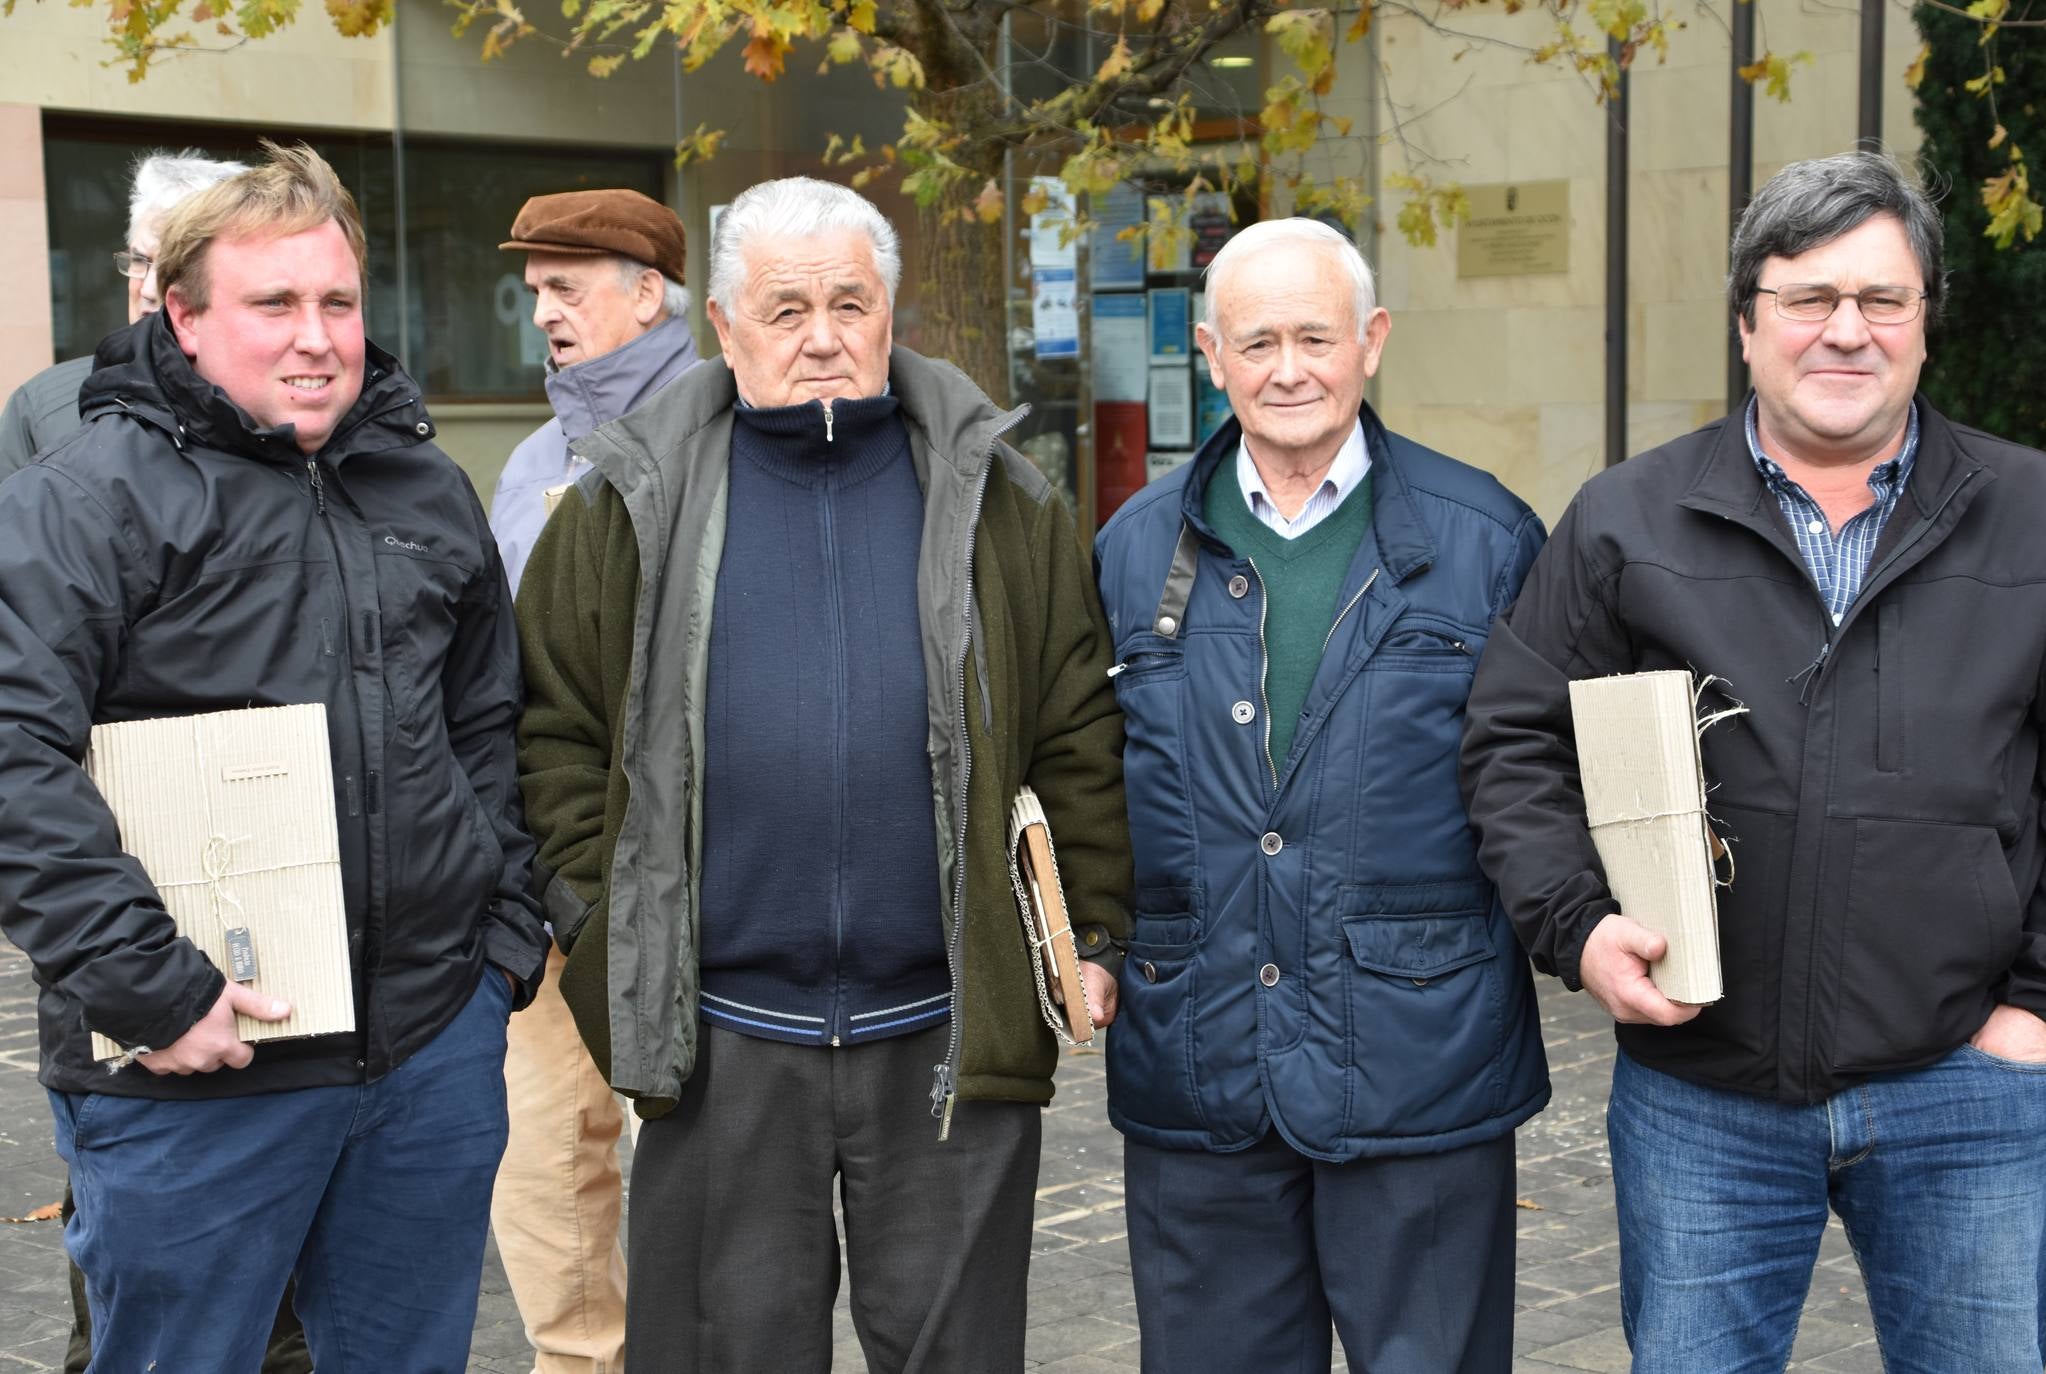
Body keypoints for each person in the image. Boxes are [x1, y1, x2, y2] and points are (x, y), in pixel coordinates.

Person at [515, 175, 1131, 1372]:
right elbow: (555, 741)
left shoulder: (1001, 497)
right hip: (721, 1048)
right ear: (722, 325)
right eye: (785, 307)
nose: (822, 336)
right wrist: (603, 936)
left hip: (950, 1037)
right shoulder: (619, 506)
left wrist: (1091, 932)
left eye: (850, 302)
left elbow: (1073, 735)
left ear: (891, 314)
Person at [1462, 150, 2046, 1372]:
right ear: (1747, 324)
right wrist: (1575, 925)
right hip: (1704, 1096)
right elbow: (1515, 737)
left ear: (1925, 324)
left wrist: (2042, 1005)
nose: (1846, 331)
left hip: (1970, 1088)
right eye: (1806, 299)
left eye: (1881, 300)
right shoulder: (1628, 518)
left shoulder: (2043, 517)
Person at [0, 141, 549, 1371]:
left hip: (423, 1060)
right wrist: (151, 990)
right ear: (181, 317)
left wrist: (496, 955)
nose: (317, 338)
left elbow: (485, 725)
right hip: (196, 1072)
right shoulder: (82, 502)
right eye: (275, 305)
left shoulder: (424, 487)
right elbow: (10, 759)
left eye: (338, 302)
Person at [1093, 216, 1551, 1374]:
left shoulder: (1486, 539)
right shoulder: (1132, 552)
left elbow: (1543, 779)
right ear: (1209, 354)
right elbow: (1088, 780)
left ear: (1373, 341)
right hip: (1200, 1067)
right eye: (1256, 343)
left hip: (1420, 1068)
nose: (1288, 369)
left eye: (1316, 336)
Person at [487, 186, 698, 1374]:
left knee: (688, 1148)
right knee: (547, 1151)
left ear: (647, 294)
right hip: (544, 873)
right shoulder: (528, 462)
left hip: (690, 873)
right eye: (534, 295)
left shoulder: (723, 431)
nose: (545, 315)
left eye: (567, 288)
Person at [0, 149, 243, 480]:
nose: (147, 290)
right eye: (140, 261)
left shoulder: (281, 400)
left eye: (175, 268)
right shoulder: (42, 409)